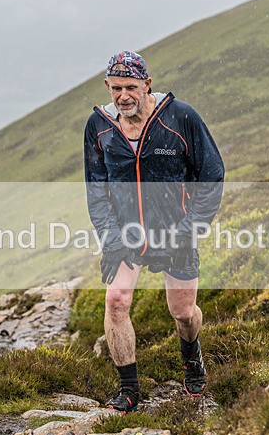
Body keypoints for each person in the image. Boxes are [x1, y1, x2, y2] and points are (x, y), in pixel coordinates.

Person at [83, 50, 225, 412]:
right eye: (116, 88)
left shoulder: (180, 118)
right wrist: (110, 237)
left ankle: (191, 356)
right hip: (125, 236)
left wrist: (189, 230)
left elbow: (211, 176)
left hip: (175, 233)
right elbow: (96, 191)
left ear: (148, 84)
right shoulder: (98, 127)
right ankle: (128, 387)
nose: (124, 96)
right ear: (107, 87)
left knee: (183, 312)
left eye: (131, 87)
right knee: (116, 302)